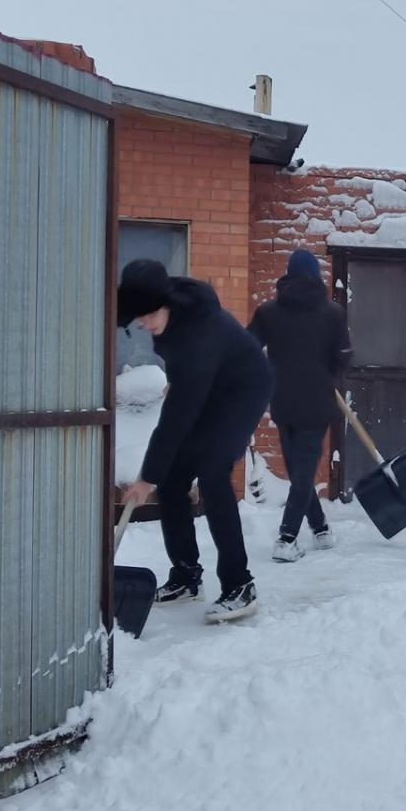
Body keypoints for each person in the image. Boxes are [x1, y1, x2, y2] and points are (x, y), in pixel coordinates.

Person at [117, 260, 272, 623]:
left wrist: (145, 478)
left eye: (151, 314)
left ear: (167, 302)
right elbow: (182, 376)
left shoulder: (198, 337)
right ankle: (186, 575)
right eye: (141, 317)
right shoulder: (170, 315)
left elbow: (176, 420)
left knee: (213, 471)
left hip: (242, 390)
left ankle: (240, 584)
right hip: (208, 384)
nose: (146, 323)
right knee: (172, 481)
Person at [248, 249, 353, 562]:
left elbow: (248, 346)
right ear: (316, 275)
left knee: (299, 470)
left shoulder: (268, 312)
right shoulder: (333, 313)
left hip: (282, 401)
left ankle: (320, 529)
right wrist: (328, 372)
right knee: (303, 472)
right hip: (318, 401)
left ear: (288, 275)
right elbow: (345, 355)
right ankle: (287, 538)